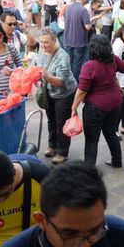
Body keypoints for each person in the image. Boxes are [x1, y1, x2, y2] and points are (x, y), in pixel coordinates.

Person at [71, 35, 124, 167]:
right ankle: (117, 161)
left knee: (91, 141)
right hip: (115, 103)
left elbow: (82, 91)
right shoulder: (113, 60)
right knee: (111, 133)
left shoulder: (89, 66)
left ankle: (89, 171)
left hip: (95, 107)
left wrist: (73, 108)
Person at [35, 29, 77, 164]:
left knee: (61, 122)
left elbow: (61, 81)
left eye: (46, 42)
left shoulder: (62, 56)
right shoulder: (41, 51)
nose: (43, 45)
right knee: (51, 119)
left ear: (54, 41)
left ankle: (62, 151)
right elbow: (37, 67)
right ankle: (52, 145)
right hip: (49, 91)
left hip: (64, 93)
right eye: (41, 42)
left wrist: (47, 77)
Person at [63, 0, 93, 82]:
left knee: (70, 62)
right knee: (77, 63)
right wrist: (92, 22)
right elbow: (87, 27)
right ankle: (74, 83)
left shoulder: (68, 7)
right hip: (79, 41)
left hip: (68, 39)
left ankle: (68, 81)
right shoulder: (82, 9)